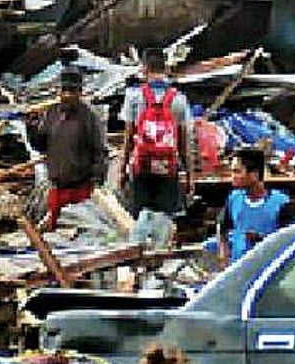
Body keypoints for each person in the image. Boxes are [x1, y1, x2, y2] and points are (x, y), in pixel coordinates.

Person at [30, 67, 107, 231]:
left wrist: (96, 181)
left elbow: (99, 151)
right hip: (57, 188)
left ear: (80, 93)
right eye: (64, 90)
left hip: (81, 189)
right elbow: (40, 145)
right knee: (55, 233)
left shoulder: (88, 117)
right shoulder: (52, 113)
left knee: (79, 233)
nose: (67, 95)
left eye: (72, 91)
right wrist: (31, 128)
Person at [217, 151, 295, 265]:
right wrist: (223, 256)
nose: (232, 177)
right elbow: (222, 228)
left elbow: (289, 242)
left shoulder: (280, 204)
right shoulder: (234, 199)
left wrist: (264, 239)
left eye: (237, 171)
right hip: (239, 271)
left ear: (254, 174)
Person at [119, 49, 191, 218]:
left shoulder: (134, 96)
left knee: (141, 221)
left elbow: (128, 137)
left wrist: (122, 170)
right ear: (166, 68)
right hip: (168, 169)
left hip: (141, 168)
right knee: (165, 221)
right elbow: (183, 142)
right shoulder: (179, 99)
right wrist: (189, 175)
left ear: (144, 69)